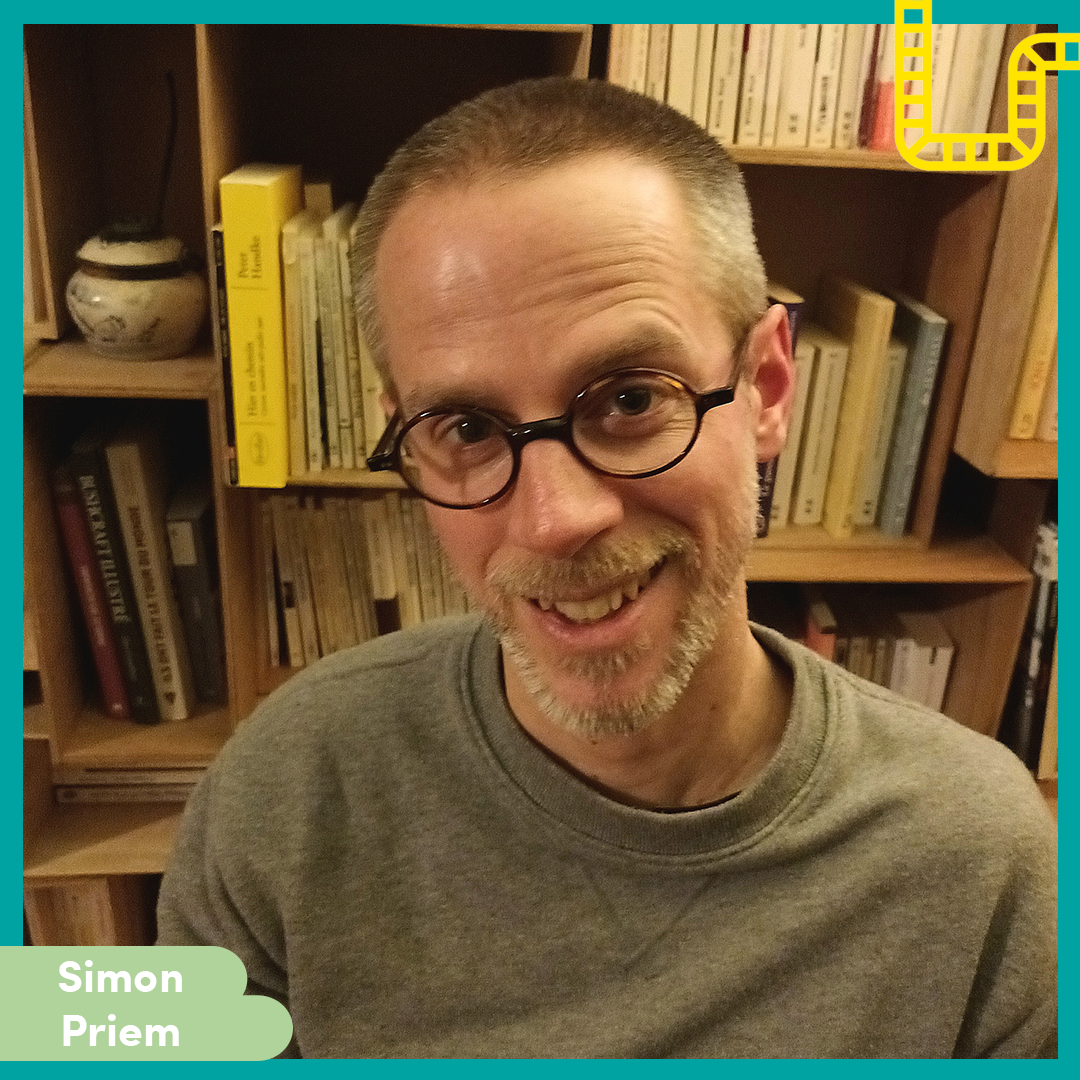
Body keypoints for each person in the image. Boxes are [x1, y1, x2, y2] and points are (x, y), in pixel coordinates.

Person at [157, 77, 1057, 1058]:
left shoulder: (981, 865)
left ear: (765, 386)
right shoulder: (288, 789)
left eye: (630, 399)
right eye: (466, 428)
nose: (554, 521)